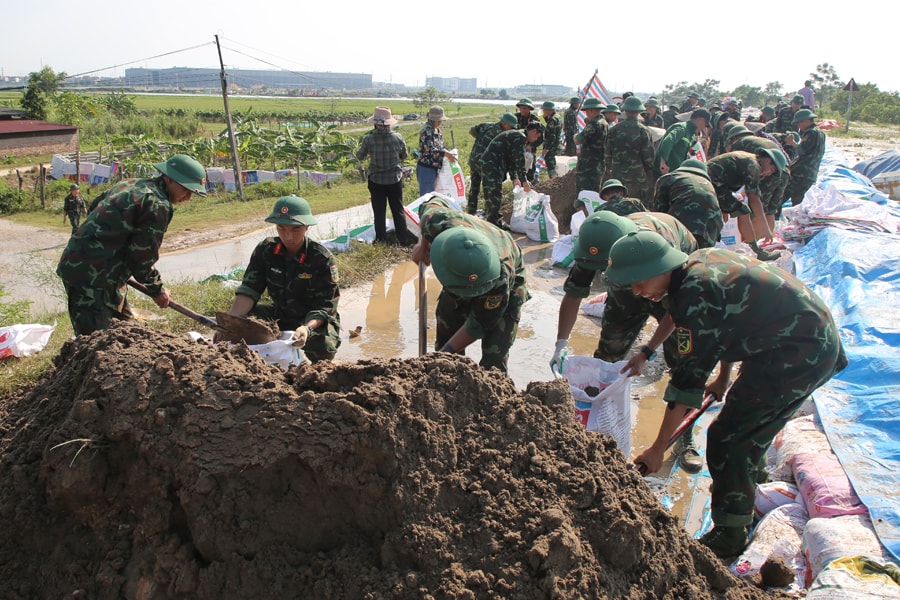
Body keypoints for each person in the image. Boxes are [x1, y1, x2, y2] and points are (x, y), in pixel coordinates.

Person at [605, 230, 847, 557]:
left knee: (728, 437)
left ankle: (730, 534)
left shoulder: (696, 295)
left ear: (660, 268)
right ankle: (751, 482)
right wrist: (722, 377)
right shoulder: (693, 267)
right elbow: (727, 321)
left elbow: (685, 388)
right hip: (795, 338)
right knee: (746, 424)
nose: (636, 291)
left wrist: (657, 449)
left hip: (800, 352)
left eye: (638, 282)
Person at [551, 212, 702, 471]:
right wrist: (560, 344)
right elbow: (574, 294)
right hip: (626, 287)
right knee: (607, 359)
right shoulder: (596, 244)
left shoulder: (655, 250)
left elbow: (675, 313)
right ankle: (596, 428)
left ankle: (683, 437)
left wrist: (648, 350)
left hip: (663, 284)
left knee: (682, 363)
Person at [56, 154, 207, 336]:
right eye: (186, 189)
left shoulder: (131, 183)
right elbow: (141, 258)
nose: (188, 197)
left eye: (192, 192)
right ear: (169, 179)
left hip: (105, 274)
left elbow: (96, 206)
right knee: (96, 340)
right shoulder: (157, 204)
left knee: (129, 334)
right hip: (90, 277)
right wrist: (157, 289)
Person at [412, 195, 529, 373]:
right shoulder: (436, 221)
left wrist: (444, 354)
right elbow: (429, 207)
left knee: (494, 359)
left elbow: (479, 323)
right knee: (446, 335)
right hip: (460, 265)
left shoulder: (501, 278)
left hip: (502, 274)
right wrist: (423, 247)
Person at [224, 195, 341, 362]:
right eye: (281, 228)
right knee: (243, 321)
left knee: (322, 348)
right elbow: (249, 290)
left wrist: (306, 329)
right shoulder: (266, 250)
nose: (288, 236)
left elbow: (325, 306)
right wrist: (229, 324)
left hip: (313, 320)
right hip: (280, 314)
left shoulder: (321, 259)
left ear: (306, 227)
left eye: (295, 229)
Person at [706, 148, 786, 261]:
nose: (769, 174)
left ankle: (754, 249)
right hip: (709, 183)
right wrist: (766, 229)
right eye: (772, 169)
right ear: (767, 160)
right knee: (744, 211)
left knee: (738, 210)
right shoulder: (752, 166)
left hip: (713, 184)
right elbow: (754, 199)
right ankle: (756, 251)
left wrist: (725, 208)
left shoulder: (750, 160)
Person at [355, 106, 411, 245]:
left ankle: (381, 240)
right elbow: (404, 155)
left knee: (379, 212)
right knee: (398, 210)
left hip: (376, 180)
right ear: (389, 123)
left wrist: (371, 153)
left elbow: (359, 156)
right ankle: (403, 240)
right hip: (394, 179)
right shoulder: (397, 137)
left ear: (376, 123)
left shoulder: (368, 139)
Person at [480, 121, 541, 228]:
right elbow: (518, 160)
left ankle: (492, 221)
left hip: (490, 163)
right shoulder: (520, 137)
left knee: (491, 194)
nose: (536, 139)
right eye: (537, 136)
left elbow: (512, 159)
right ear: (534, 131)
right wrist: (524, 181)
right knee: (494, 194)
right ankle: (495, 223)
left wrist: (515, 178)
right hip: (493, 164)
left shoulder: (518, 135)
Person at [654, 159, 723, 249]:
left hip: (682, 226)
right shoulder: (708, 184)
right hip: (711, 228)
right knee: (700, 255)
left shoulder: (668, 178)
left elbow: (659, 211)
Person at [606, 95, 655, 205]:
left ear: (625, 110)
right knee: (637, 206)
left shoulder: (614, 130)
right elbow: (649, 158)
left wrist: (610, 168)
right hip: (637, 178)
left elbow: (607, 154)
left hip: (618, 177)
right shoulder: (644, 131)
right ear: (639, 111)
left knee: (618, 205)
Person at [466, 113, 510, 214]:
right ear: (504, 123)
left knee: (474, 187)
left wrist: (480, 141)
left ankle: (471, 211)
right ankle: (489, 212)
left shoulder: (486, 125)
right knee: (488, 188)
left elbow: (471, 131)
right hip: (486, 163)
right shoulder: (501, 134)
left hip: (474, 159)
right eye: (511, 126)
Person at [784, 108, 826, 206]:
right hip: (810, 173)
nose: (798, 125)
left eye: (799, 123)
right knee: (799, 201)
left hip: (802, 173)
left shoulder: (812, 133)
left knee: (786, 196)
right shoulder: (820, 133)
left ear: (807, 121)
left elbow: (802, 150)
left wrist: (792, 143)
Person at [654, 108, 710, 177]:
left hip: (674, 172)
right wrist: (663, 163)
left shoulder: (691, 135)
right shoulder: (682, 128)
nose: (704, 127)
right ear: (701, 120)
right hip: (664, 172)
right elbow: (668, 141)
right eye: (705, 124)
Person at [417, 105, 456, 195]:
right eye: (439, 121)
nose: (440, 123)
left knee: (434, 196)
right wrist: (445, 153)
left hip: (434, 168)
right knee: (427, 197)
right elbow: (430, 150)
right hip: (426, 169)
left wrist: (448, 151)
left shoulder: (437, 131)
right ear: (432, 120)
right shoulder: (426, 132)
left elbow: (440, 147)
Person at [574, 97, 608, 194]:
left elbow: (578, 140)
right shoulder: (604, 123)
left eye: (587, 111)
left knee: (584, 193)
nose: (586, 113)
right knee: (594, 192)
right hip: (599, 163)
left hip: (588, 166)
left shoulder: (594, 124)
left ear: (592, 110)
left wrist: (575, 135)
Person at [515, 98, 542, 183]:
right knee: (517, 168)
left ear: (530, 109)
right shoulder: (515, 117)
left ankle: (530, 184)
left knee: (530, 169)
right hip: (517, 147)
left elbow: (540, 137)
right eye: (521, 108)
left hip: (529, 149)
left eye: (525, 108)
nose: (522, 110)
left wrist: (531, 145)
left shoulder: (535, 120)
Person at [540, 101, 563, 180]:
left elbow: (551, 135)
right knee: (554, 165)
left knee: (551, 165)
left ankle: (554, 181)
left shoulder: (552, 120)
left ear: (549, 110)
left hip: (552, 147)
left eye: (544, 110)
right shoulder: (557, 117)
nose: (543, 111)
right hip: (557, 145)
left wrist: (547, 148)